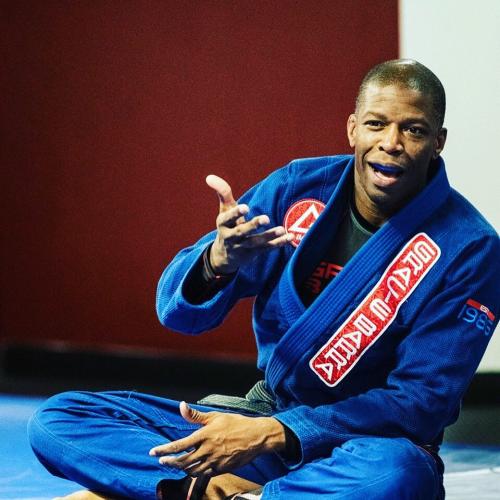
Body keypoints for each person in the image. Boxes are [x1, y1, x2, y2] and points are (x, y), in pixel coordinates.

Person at [29, 59, 499, 500]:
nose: (391, 143)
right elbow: (177, 314)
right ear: (353, 128)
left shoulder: (469, 247)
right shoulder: (297, 189)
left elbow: (420, 403)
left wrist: (276, 433)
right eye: (377, 124)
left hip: (366, 443)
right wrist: (217, 261)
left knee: (398, 474)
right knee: (59, 419)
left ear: (438, 141)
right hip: (261, 417)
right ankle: (203, 490)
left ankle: (201, 489)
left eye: (413, 129)